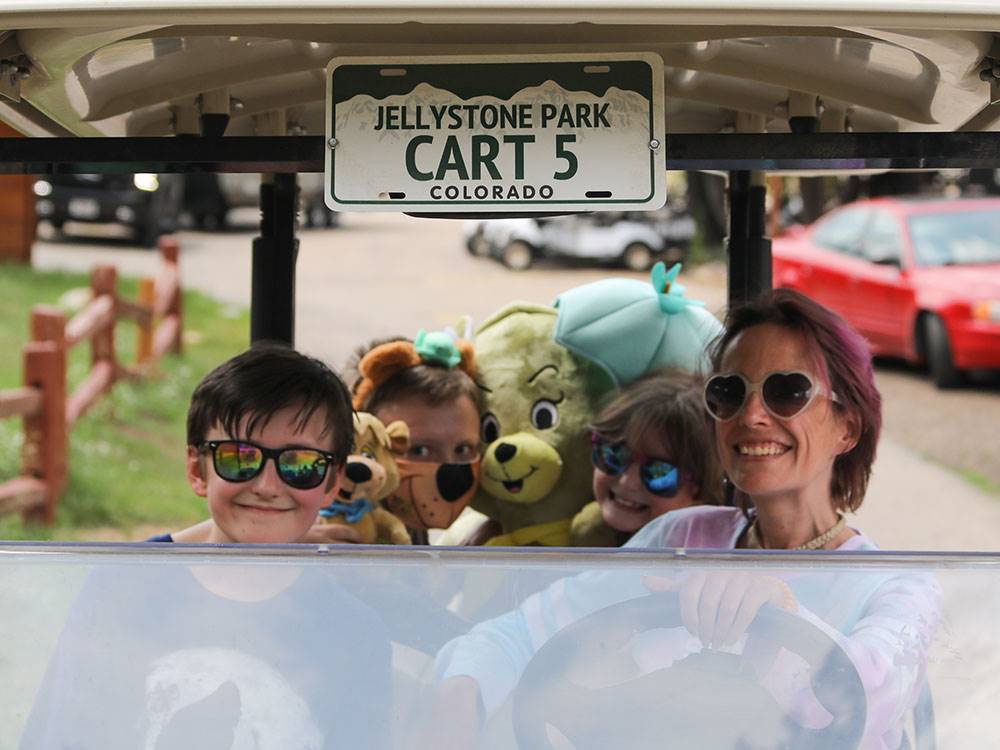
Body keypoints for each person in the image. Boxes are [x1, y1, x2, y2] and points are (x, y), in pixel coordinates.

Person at [427, 289, 941, 750]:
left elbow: (868, 706)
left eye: (787, 391)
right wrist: (461, 696)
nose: (752, 414)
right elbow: (518, 633)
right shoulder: (684, 535)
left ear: (847, 427)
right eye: (729, 393)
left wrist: (781, 611)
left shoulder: (898, 586)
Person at [21, 344, 392, 748]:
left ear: (332, 483)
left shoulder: (354, 631)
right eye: (239, 457)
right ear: (198, 470)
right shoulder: (122, 586)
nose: (267, 486)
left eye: (300, 464)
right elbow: (66, 736)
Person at [571, 368, 724, 546]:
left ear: (703, 494)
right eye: (613, 454)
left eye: (659, 473)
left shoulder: (697, 566)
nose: (627, 482)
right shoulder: (581, 530)